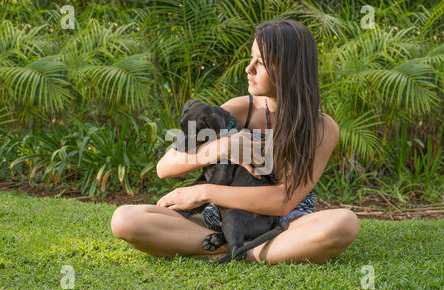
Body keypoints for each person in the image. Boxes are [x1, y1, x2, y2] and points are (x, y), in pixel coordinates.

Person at [110, 19, 360, 264]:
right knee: (125, 220)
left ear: (289, 68)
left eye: (260, 63)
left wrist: (202, 191)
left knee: (344, 224)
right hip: (219, 217)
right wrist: (222, 147)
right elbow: (165, 166)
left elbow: (283, 201)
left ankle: (239, 251)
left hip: (287, 224)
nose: (248, 69)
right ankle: (244, 249)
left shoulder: (321, 127)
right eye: (251, 58)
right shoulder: (239, 110)